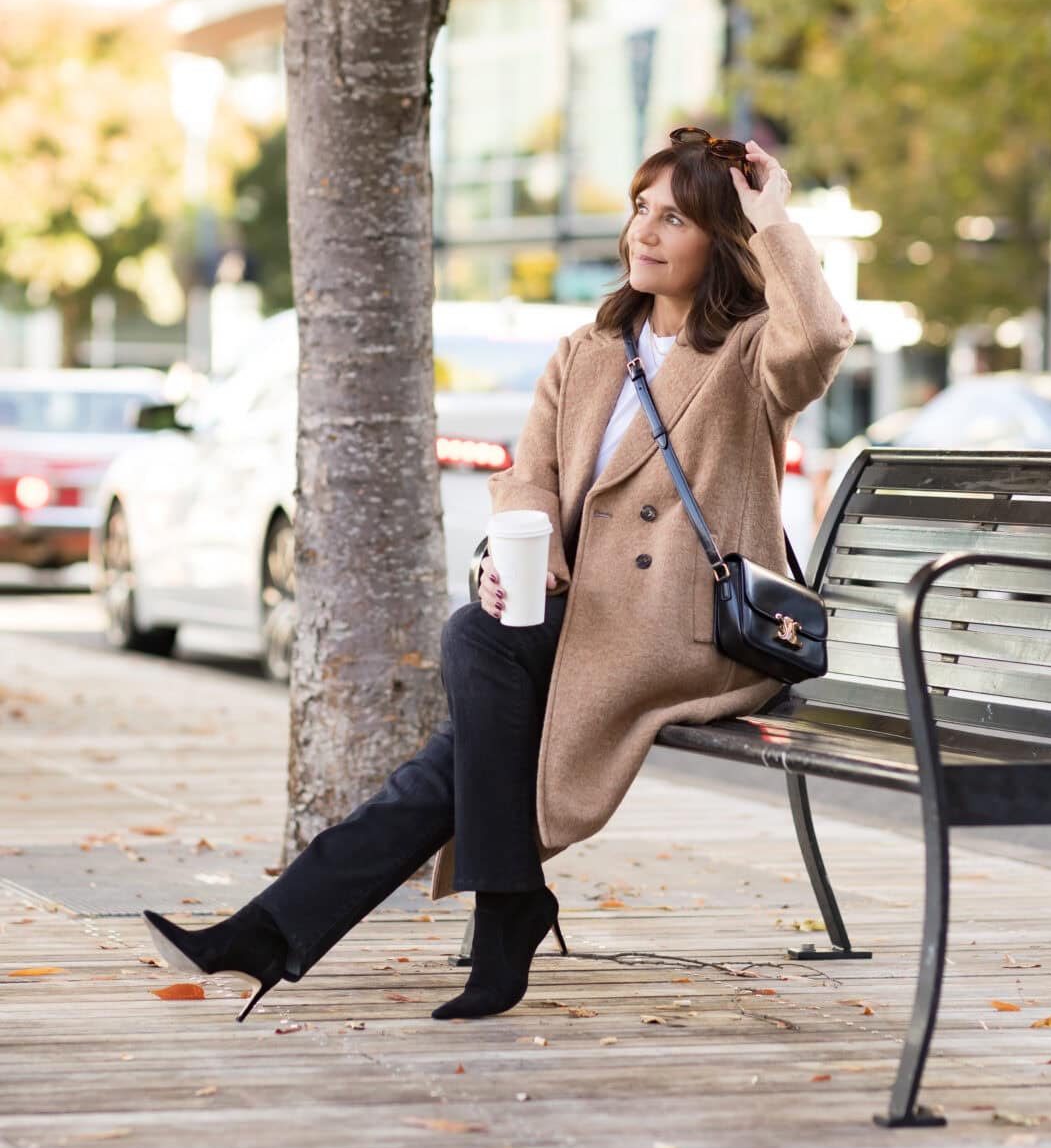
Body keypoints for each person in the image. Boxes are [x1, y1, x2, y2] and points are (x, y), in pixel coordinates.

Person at [142, 128, 854, 1024]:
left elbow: (822, 337)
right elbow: (528, 472)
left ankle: (468, 910)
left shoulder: (749, 354)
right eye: (640, 209)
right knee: (470, 677)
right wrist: (529, 536)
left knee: (469, 667)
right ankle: (367, 921)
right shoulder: (590, 348)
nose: (645, 231)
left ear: (722, 238)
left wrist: (774, 217)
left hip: (687, 632)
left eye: (675, 218)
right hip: (587, 611)